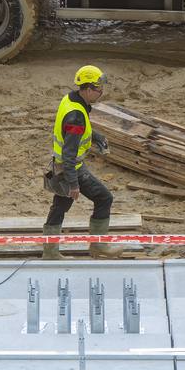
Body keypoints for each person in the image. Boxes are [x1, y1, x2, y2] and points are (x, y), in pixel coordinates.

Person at [43, 64, 121, 260]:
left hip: (63, 166)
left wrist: (96, 136)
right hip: (70, 169)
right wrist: (73, 184)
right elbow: (70, 152)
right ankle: (98, 247)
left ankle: (50, 252)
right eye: (98, 89)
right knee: (104, 198)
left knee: (59, 207)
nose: (101, 92)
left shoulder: (72, 99)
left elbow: (75, 130)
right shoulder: (76, 115)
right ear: (86, 88)